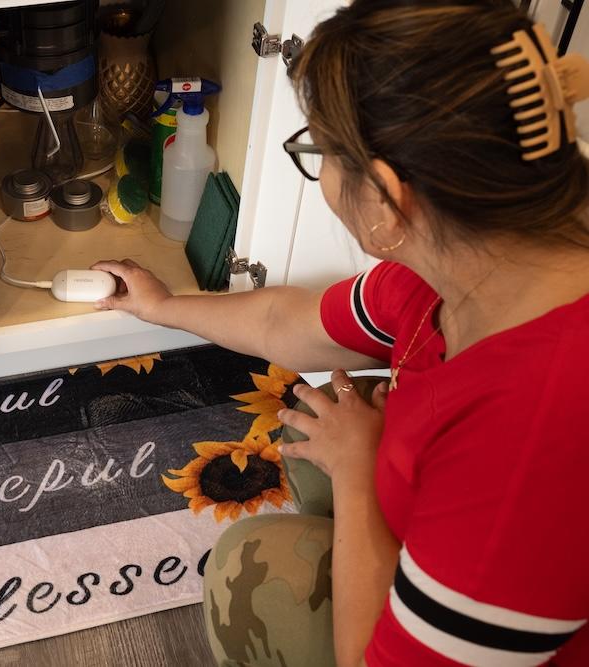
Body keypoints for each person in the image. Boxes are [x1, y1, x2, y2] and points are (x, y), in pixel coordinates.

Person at [91, 1, 589, 665]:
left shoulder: (533, 435)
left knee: (253, 563)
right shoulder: (483, 247)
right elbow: (289, 322)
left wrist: (359, 474)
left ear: (385, 197)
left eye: (319, 150)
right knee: (308, 421)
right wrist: (163, 306)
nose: (319, 167)